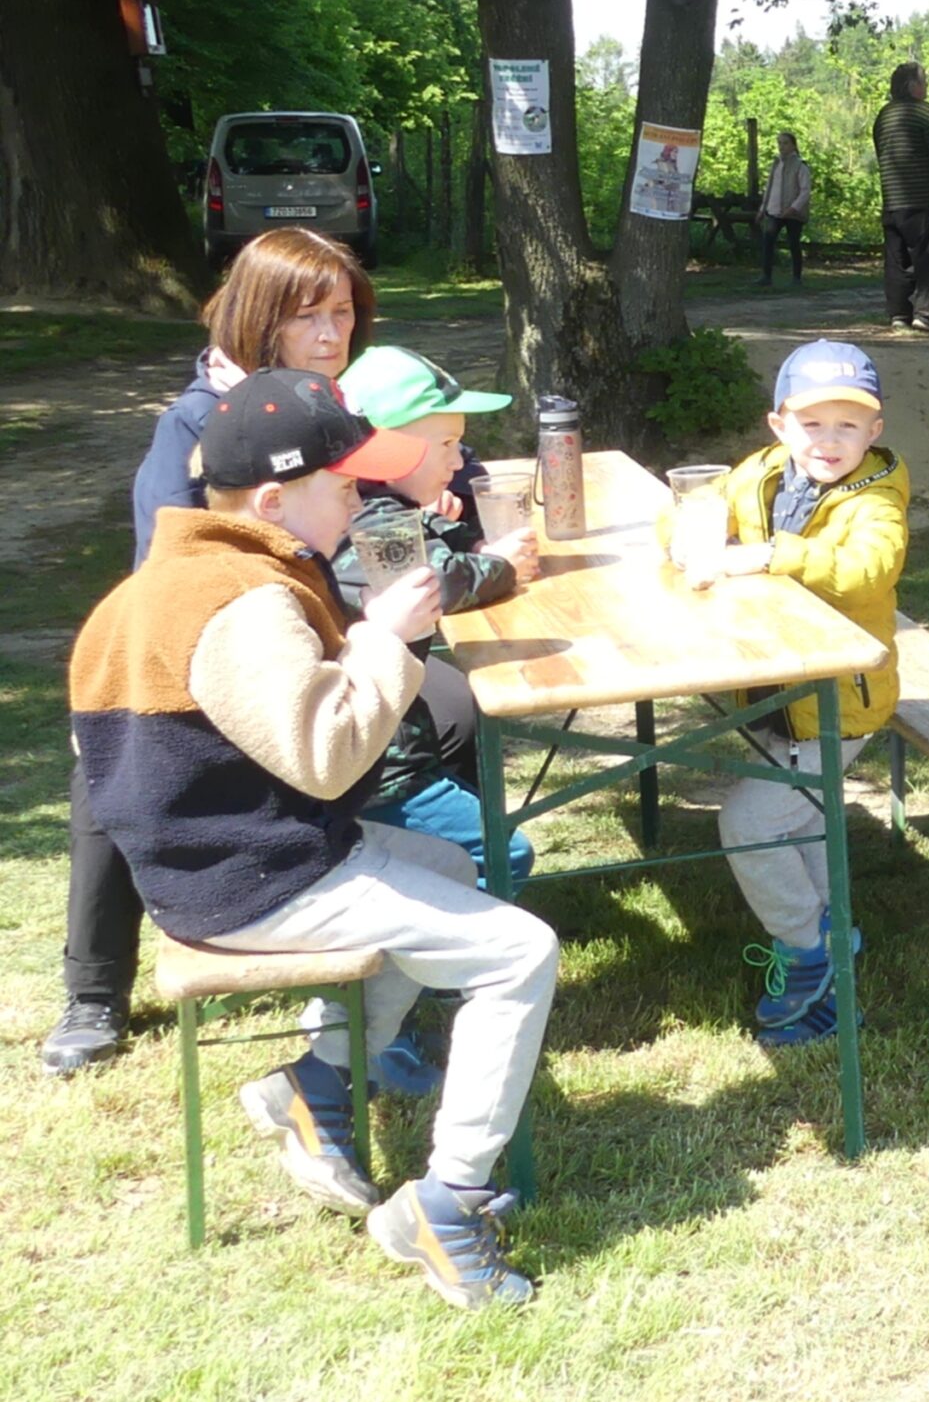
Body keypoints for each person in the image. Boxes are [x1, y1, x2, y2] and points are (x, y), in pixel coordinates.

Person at [70, 368, 558, 1308]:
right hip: (253, 879)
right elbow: (328, 759)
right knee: (519, 951)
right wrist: (385, 637)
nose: (359, 503)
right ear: (271, 501)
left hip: (209, 864)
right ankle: (450, 1204)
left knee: (452, 863)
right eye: (342, 487)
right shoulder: (243, 602)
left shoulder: (173, 577)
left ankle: (321, 1080)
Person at [46, 230, 477, 1081]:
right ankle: (94, 988)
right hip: (215, 658)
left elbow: (396, 488)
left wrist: (446, 496)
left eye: (343, 312)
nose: (331, 333)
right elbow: (172, 577)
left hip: (336, 625)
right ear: (257, 316)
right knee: (110, 761)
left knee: (457, 705)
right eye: (307, 316)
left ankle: (404, 912)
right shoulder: (202, 423)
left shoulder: (333, 402)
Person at [678, 340, 906, 1046]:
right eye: (812, 424)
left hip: (839, 702)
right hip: (776, 689)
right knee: (802, 819)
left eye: (848, 426)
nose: (828, 441)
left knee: (750, 823)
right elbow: (704, 501)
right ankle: (834, 951)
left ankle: (805, 953)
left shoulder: (877, 496)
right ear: (779, 425)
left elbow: (868, 568)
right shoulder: (765, 470)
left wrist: (772, 553)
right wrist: (691, 531)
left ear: (874, 431)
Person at [332, 346, 542, 892]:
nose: (458, 462)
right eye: (446, 445)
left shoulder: (379, 503)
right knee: (505, 854)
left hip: (390, 745)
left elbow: (432, 546)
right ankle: (449, 941)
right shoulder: (368, 515)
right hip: (379, 768)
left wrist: (444, 526)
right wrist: (501, 567)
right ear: (387, 446)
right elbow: (436, 580)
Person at [873, 61, 929, 331]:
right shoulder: (924, 112)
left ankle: (899, 314)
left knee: (897, 261)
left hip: (892, 198)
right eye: (924, 82)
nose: (927, 87)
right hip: (921, 197)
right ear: (912, 86)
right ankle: (928, 314)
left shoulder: (884, 115)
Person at [759, 130, 813, 287]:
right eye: (780, 143)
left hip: (793, 213)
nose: (782, 146)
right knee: (768, 242)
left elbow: (805, 191)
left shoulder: (800, 166)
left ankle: (796, 278)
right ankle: (766, 276)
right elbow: (770, 188)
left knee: (793, 244)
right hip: (774, 210)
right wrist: (763, 208)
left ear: (793, 145)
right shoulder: (776, 164)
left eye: (785, 143)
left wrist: (793, 208)